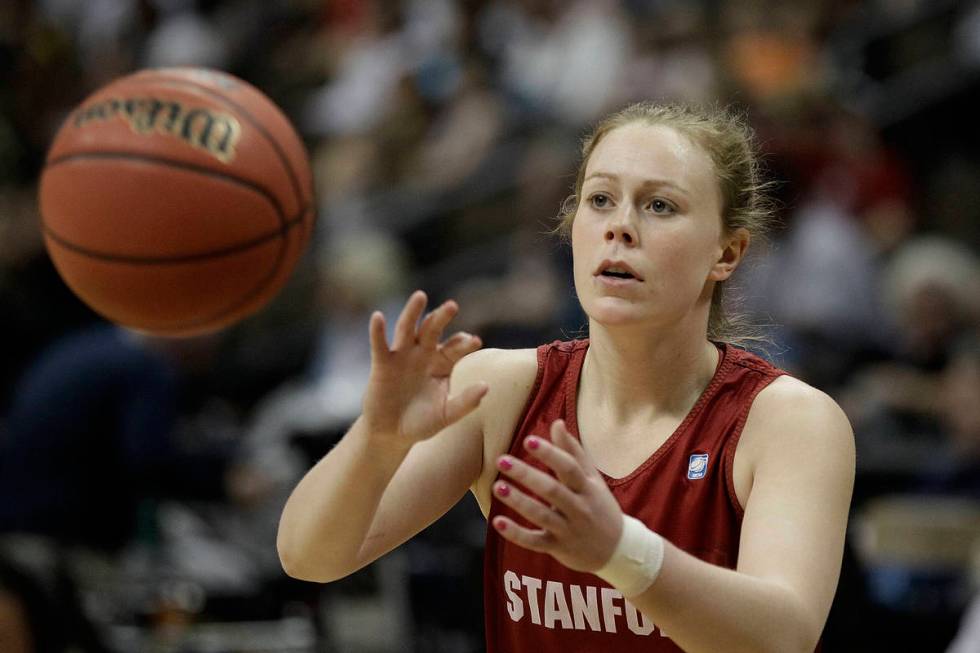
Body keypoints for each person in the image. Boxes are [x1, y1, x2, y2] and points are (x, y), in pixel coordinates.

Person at [277, 102, 855, 652]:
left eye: (660, 206)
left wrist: (619, 551)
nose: (620, 227)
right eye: (600, 199)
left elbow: (784, 637)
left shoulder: (787, 421)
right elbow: (309, 556)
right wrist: (375, 440)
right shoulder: (499, 392)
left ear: (726, 253)